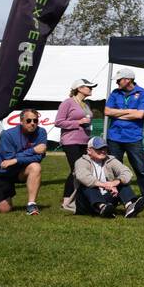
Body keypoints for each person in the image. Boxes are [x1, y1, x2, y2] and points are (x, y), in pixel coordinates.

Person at [104, 67, 144, 207]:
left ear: (128, 80)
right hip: (114, 137)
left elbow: (139, 115)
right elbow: (107, 111)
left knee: (140, 168)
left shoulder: (143, 93)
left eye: (119, 80)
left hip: (133, 137)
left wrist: (118, 113)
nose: (117, 83)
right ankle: (116, 197)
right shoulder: (115, 93)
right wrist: (129, 111)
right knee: (114, 169)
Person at [0, 109, 47, 214]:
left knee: (36, 166)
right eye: (28, 121)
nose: (32, 123)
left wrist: (16, 159)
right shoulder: (8, 134)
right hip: (1, 172)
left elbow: (38, 157)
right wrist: (33, 150)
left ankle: (31, 205)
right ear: (21, 121)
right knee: (5, 209)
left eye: (35, 121)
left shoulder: (41, 132)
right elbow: (8, 159)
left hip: (19, 170)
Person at [73, 136, 144, 218]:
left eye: (105, 148)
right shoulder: (81, 162)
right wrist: (105, 185)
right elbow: (83, 177)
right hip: (86, 202)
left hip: (106, 197)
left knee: (122, 182)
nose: (103, 151)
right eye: (99, 149)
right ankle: (102, 207)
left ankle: (129, 206)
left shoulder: (110, 160)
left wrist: (115, 183)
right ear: (89, 150)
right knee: (88, 186)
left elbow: (127, 172)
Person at [55, 77, 96, 211]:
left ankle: (76, 198)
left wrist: (86, 123)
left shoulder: (86, 104)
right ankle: (67, 200)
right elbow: (58, 122)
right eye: (88, 87)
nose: (91, 89)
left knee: (80, 170)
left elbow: (86, 121)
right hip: (70, 141)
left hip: (84, 141)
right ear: (79, 88)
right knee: (76, 170)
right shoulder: (67, 103)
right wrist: (77, 123)